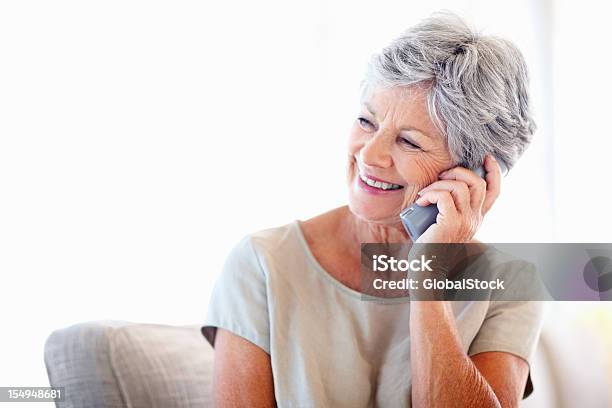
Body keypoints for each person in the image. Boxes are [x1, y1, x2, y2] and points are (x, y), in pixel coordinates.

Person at [202, 12, 545, 407]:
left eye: (410, 143)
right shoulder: (262, 264)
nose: (370, 154)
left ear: (474, 175)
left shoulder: (510, 285)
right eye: (367, 121)